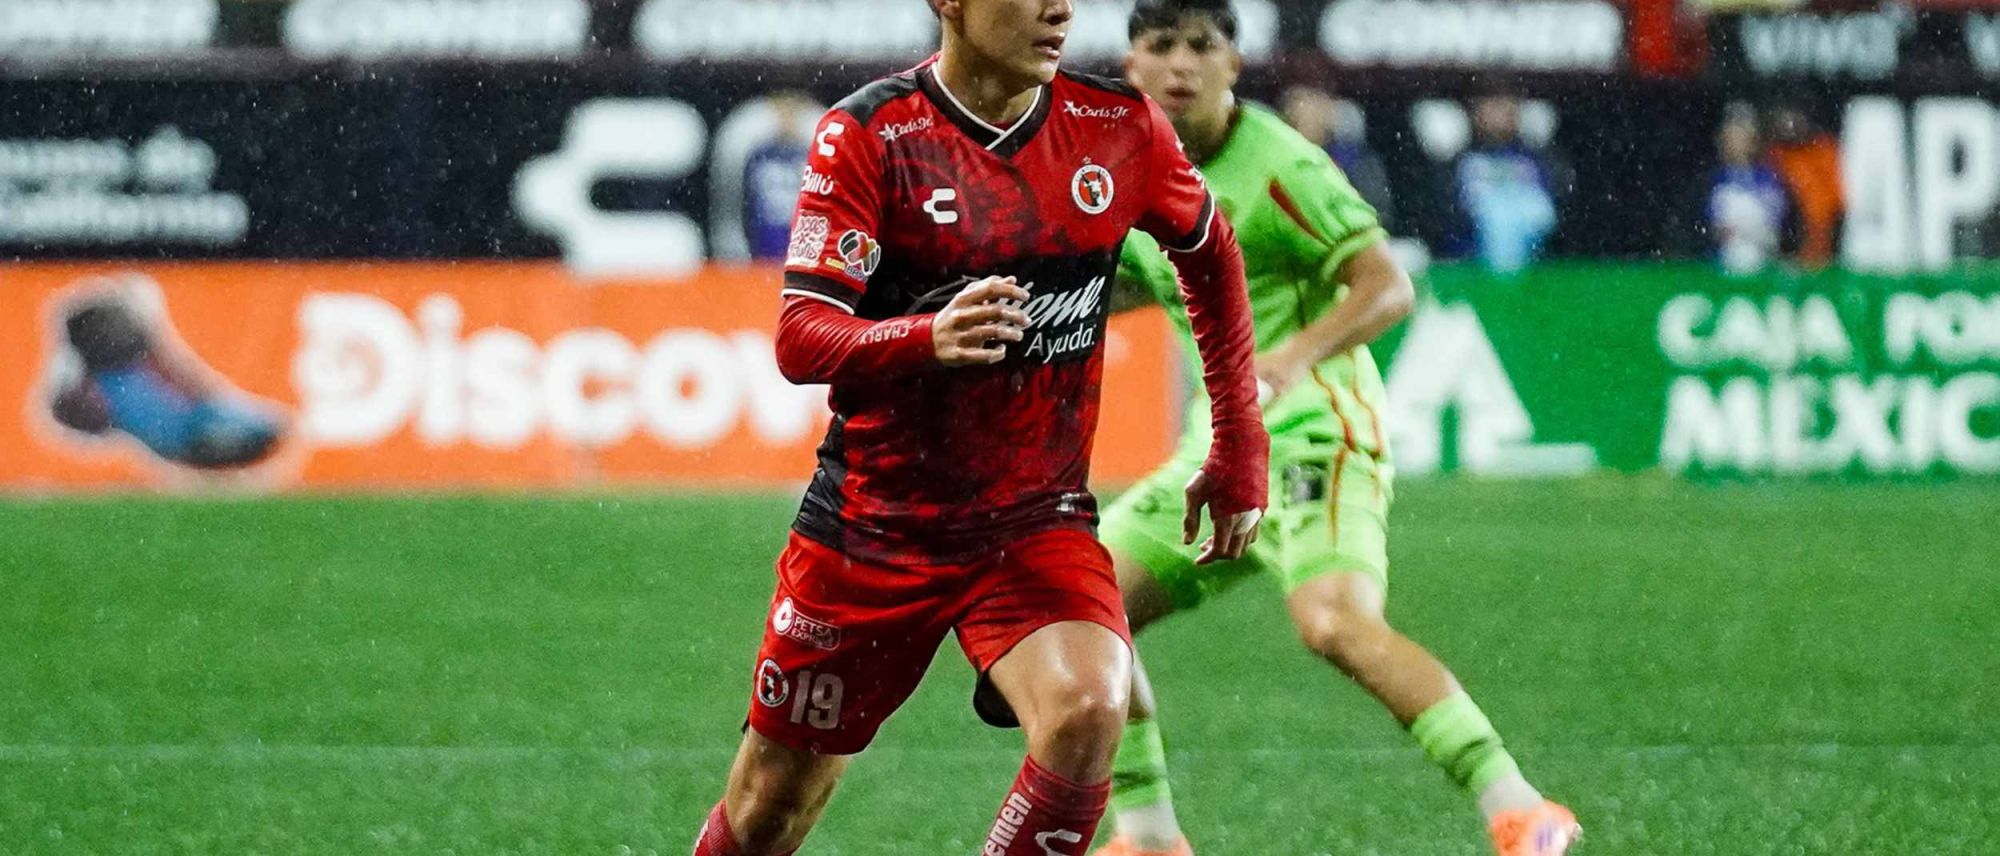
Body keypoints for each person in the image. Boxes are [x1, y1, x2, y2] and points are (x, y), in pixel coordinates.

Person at [688, 0, 1271, 853]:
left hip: (1035, 522)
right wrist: (926, 337)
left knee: (1090, 707)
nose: (1059, 9)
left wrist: (1239, 440)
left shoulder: (1116, 125)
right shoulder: (870, 135)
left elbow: (1210, 253)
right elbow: (802, 337)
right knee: (767, 808)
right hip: (875, 529)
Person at [1094, 3, 1580, 855]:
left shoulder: (1281, 165)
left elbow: (1387, 285)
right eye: (1161, 46)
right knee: (1085, 604)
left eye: (1202, 46)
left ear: (1234, 64)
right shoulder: (1132, 174)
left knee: (1334, 625)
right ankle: (1147, 835)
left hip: (1317, 431)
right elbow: (1138, 285)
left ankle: (1521, 807)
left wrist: (1288, 359)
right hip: (1218, 450)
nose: (1181, 64)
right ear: (1131, 66)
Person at [1451, 94, 1565, 274]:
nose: (1499, 116)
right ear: (1475, 113)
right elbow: (1448, 206)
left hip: (1535, 260)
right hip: (1473, 256)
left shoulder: (1535, 156)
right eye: (1492, 106)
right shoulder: (1459, 157)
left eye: (1506, 107)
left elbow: (1556, 202)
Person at [1280, 85, 1394, 231]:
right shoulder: (1283, 159)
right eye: (1300, 117)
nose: (1310, 121)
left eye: (1315, 115)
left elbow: (1375, 211)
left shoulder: (1352, 160)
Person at [1706, 106, 1791, 275]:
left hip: (1765, 260)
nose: (1738, 144)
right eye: (1732, 138)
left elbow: (1781, 223)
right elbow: (1705, 226)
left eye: (1743, 137)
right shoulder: (1712, 181)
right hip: (1721, 264)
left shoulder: (1770, 178)